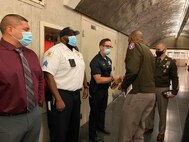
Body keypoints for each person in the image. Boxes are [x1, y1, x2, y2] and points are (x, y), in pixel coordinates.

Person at [0, 14, 44, 142]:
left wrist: (39, 104)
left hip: (34, 114)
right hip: (7, 121)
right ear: (10, 30)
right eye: (26, 29)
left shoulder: (31, 54)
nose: (30, 33)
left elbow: (40, 79)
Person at [42, 27, 88, 142]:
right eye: (72, 35)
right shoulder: (55, 52)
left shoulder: (77, 53)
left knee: (73, 128)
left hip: (75, 95)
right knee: (59, 129)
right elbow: (48, 75)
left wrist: (85, 86)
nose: (74, 38)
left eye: (75, 35)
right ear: (63, 38)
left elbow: (82, 69)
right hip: (60, 94)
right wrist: (58, 99)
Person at [118, 30, 156, 142]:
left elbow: (133, 71)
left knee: (126, 131)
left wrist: (123, 85)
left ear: (132, 38)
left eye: (129, 40)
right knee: (139, 130)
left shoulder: (133, 46)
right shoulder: (148, 51)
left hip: (138, 94)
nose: (128, 42)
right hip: (150, 95)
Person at [88, 38, 121, 142]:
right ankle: (92, 135)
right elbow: (97, 79)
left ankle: (100, 127)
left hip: (104, 90)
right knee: (94, 112)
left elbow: (108, 74)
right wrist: (112, 78)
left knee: (102, 110)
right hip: (96, 91)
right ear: (101, 47)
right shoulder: (95, 61)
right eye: (107, 46)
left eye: (110, 46)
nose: (109, 48)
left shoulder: (108, 60)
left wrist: (115, 82)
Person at [145, 43, 179, 141]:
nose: (157, 50)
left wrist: (174, 91)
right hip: (151, 88)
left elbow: (175, 78)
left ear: (165, 50)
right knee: (150, 109)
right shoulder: (153, 60)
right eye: (156, 49)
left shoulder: (170, 62)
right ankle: (149, 126)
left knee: (162, 111)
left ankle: (161, 132)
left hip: (163, 88)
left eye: (159, 49)